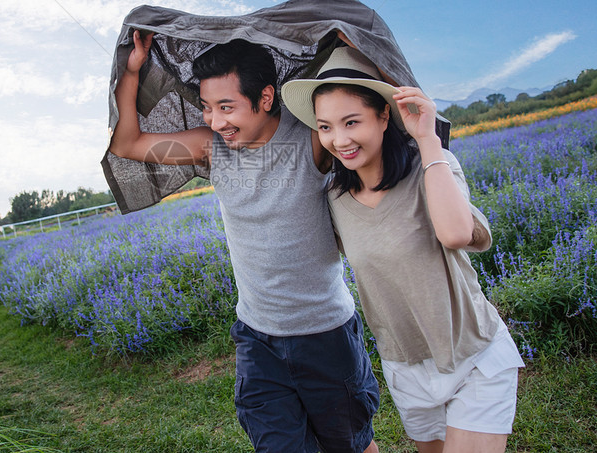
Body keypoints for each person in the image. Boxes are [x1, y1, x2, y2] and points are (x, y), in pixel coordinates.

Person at [109, 30, 380, 453]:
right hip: (257, 340)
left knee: (352, 445)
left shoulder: (313, 139)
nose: (215, 121)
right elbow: (127, 144)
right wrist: (131, 73)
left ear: (266, 97)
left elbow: (365, 114)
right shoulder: (211, 149)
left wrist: (356, 46)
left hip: (325, 335)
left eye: (226, 107)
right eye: (207, 107)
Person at [281, 46, 525, 453]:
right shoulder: (335, 199)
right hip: (405, 366)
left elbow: (455, 234)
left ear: (383, 117)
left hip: (473, 354)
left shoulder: (432, 167)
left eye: (351, 122)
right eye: (325, 127)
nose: (339, 140)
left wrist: (427, 140)